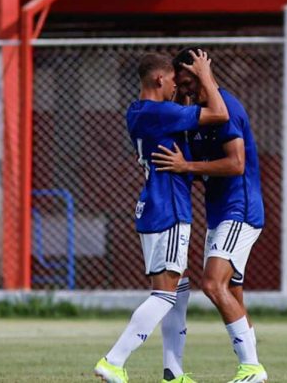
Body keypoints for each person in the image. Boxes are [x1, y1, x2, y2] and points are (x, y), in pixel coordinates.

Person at [94, 50, 228, 383]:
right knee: (165, 293)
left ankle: (173, 371)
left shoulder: (137, 111)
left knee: (177, 288)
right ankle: (114, 360)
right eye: (172, 82)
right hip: (168, 209)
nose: (176, 89)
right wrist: (205, 74)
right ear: (159, 79)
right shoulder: (161, 113)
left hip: (153, 206)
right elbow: (220, 113)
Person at [152, 49, 268, 383]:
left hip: (240, 209)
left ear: (205, 73)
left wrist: (187, 166)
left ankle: (252, 369)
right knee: (232, 292)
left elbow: (236, 164)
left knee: (212, 284)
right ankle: (251, 367)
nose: (187, 91)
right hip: (220, 213)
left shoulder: (226, 108)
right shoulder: (197, 114)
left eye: (190, 81)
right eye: (181, 86)